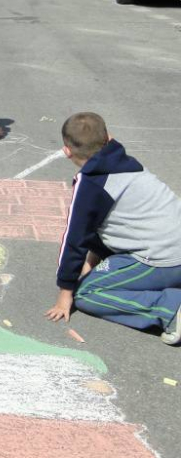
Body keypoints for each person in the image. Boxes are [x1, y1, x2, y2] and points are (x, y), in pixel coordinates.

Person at [45, 113, 181, 345]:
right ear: (109, 138)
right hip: (170, 246)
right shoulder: (127, 163)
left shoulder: (91, 184)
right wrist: (90, 263)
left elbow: (75, 239)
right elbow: (101, 226)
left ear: (67, 151)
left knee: (86, 293)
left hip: (164, 259)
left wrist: (65, 292)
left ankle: (170, 309)